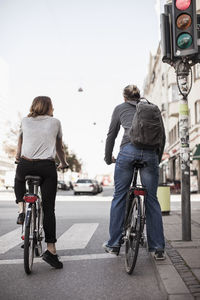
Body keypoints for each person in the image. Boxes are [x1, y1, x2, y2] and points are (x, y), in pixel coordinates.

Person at [103, 85, 166, 260]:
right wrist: (156, 159)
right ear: (139, 97)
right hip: (150, 154)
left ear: (124, 97)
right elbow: (163, 136)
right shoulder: (153, 108)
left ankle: (114, 244)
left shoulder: (120, 108)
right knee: (152, 199)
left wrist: (108, 158)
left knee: (119, 196)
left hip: (128, 152)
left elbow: (111, 135)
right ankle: (157, 248)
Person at [14, 96, 69, 269]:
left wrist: (18, 156)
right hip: (46, 167)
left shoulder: (25, 120)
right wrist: (64, 163)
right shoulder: (55, 122)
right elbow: (59, 148)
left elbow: (20, 142)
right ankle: (51, 250)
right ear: (49, 107)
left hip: (25, 164)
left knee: (18, 179)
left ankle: (22, 209)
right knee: (48, 209)